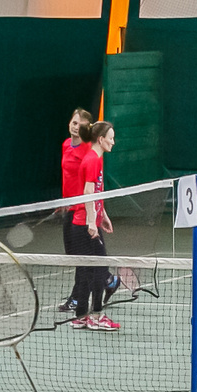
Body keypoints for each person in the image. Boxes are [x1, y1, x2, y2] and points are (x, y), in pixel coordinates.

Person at [65, 119, 120, 332]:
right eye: (111, 138)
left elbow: (97, 192)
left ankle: (81, 317)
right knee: (99, 271)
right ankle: (96, 316)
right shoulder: (92, 160)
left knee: (90, 272)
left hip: (89, 222)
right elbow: (87, 193)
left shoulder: (97, 158)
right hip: (83, 225)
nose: (113, 142)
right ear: (101, 139)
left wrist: (102, 214)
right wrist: (91, 221)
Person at [58, 108, 95, 315]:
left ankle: (78, 298)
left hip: (82, 209)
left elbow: (91, 181)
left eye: (79, 123)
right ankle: (107, 280)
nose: (74, 126)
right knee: (73, 255)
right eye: (73, 122)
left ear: (86, 127)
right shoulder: (65, 145)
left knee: (83, 257)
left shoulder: (88, 150)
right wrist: (63, 201)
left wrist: (93, 212)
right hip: (69, 207)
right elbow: (67, 177)